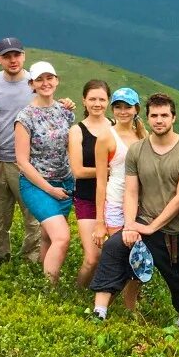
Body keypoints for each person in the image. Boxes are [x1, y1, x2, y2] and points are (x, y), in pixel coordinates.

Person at [90, 93, 179, 328]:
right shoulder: (137, 150)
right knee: (113, 248)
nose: (159, 120)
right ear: (147, 118)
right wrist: (130, 224)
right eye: (154, 115)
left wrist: (151, 226)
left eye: (164, 115)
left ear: (174, 117)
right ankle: (99, 310)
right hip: (144, 221)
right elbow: (131, 191)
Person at [0, 37, 42, 264]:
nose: (13, 60)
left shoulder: (35, 83)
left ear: (24, 56)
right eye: (7, 56)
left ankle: (31, 261)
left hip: (28, 162)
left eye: (16, 55)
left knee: (32, 216)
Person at [15, 61, 75, 284]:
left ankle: (41, 279)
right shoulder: (25, 117)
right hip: (37, 185)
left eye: (49, 78)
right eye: (39, 79)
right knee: (62, 237)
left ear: (57, 80)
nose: (45, 83)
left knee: (49, 236)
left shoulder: (65, 112)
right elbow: (21, 161)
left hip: (66, 182)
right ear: (32, 84)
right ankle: (52, 288)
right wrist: (49, 189)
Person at [98, 87, 144, 312]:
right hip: (115, 202)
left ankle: (129, 304)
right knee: (120, 254)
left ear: (136, 109)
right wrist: (99, 222)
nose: (123, 111)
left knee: (138, 254)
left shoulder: (143, 136)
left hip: (141, 204)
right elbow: (100, 180)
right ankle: (110, 303)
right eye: (118, 106)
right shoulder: (106, 136)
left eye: (127, 107)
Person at [70, 80, 114, 289]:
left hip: (114, 199)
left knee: (115, 256)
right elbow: (78, 171)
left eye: (102, 99)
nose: (97, 103)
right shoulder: (77, 131)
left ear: (109, 101)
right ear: (84, 101)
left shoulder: (116, 127)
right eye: (92, 99)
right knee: (93, 257)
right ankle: (78, 292)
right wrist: (108, 170)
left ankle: (104, 295)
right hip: (86, 198)